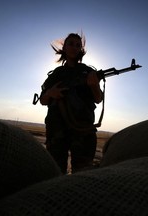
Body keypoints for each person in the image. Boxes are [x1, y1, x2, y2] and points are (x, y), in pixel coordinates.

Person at [40, 33, 103, 174]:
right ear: (64, 47)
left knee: (82, 173)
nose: (74, 47)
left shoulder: (88, 71)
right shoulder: (56, 74)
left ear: (81, 49)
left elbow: (98, 99)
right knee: (54, 172)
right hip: (57, 130)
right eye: (71, 44)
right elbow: (42, 100)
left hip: (82, 129)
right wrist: (50, 93)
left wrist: (94, 85)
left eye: (78, 45)